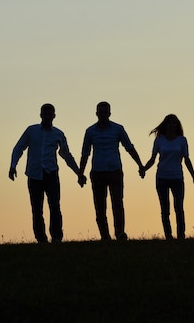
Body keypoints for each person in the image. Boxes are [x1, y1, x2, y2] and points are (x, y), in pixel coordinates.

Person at [9, 103, 87, 243]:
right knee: (36, 209)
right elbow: (19, 148)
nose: (47, 116)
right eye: (44, 114)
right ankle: (41, 238)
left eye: (49, 114)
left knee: (55, 206)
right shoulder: (31, 131)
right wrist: (13, 165)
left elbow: (66, 155)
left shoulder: (58, 134)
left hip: (51, 174)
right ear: (40, 115)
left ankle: (56, 237)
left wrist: (79, 173)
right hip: (34, 175)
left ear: (54, 116)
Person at [79, 101, 144, 241]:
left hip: (115, 170)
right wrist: (81, 173)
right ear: (96, 114)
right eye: (100, 112)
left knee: (118, 203)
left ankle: (120, 233)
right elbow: (85, 153)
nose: (103, 115)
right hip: (98, 171)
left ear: (109, 113)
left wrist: (140, 164)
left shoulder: (118, 129)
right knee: (100, 206)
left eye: (105, 112)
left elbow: (129, 147)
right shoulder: (90, 131)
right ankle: (105, 235)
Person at [140, 114, 194, 240]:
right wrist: (144, 168)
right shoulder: (159, 140)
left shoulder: (182, 140)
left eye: (174, 122)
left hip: (177, 177)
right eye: (169, 122)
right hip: (162, 177)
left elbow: (186, 159)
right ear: (165, 125)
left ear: (177, 125)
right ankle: (168, 235)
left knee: (179, 207)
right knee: (165, 208)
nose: (172, 125)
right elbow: (153, 159)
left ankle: (181, 235)